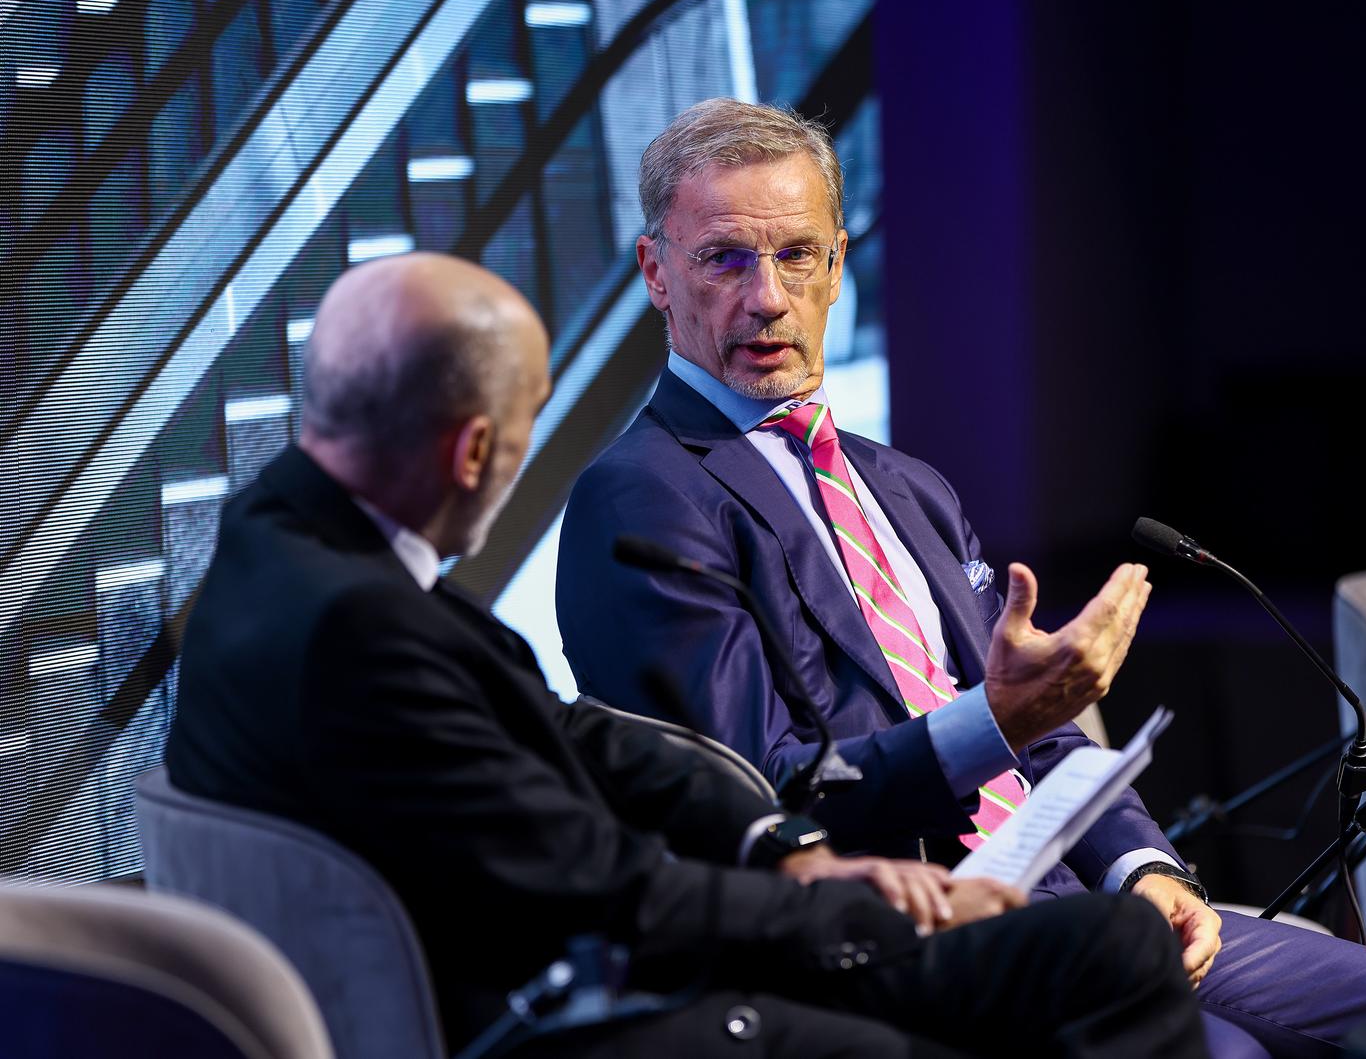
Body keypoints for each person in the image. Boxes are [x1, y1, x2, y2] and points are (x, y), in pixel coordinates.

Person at [554, 98, 1366, 1059]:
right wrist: (995, 720)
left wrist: (1143, 868)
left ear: (839, 264)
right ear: (655, 274)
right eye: (724, 258)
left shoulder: (905, 486)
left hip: (1082, 904)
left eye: (796, 254)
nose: (766, 296)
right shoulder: (640, 499)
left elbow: (1037, 728)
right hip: (911, 940)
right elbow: (763, 798)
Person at [164, 252, 1208, 1058]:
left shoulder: (276, 542)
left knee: (1095, 948)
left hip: (596, 944)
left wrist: (775, 841)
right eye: (530, 427)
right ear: (474, 451)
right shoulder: (366, 627)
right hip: (567, 1015)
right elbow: (606, 892)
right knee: (1096, 959)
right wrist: (855, 900)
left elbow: (574, 731)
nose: (766, 299)